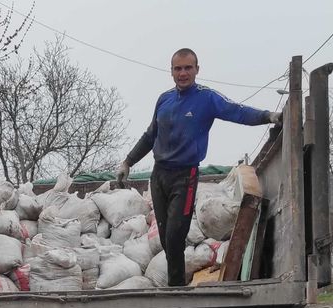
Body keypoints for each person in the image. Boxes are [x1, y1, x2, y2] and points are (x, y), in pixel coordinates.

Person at [115, 48, 282, 287]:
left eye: (187, 68)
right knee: (165, 237)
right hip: (159, 175)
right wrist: (128, 161)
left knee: (175, 235)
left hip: (185, 176)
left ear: (197, 69)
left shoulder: (206, 98)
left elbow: (237, 111)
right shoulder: (164, 99)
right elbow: (150, 134)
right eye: (177, 68)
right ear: (171, 71)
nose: (182, 73)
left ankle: (175, 291)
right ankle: (175, 286)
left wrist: (268, 116)